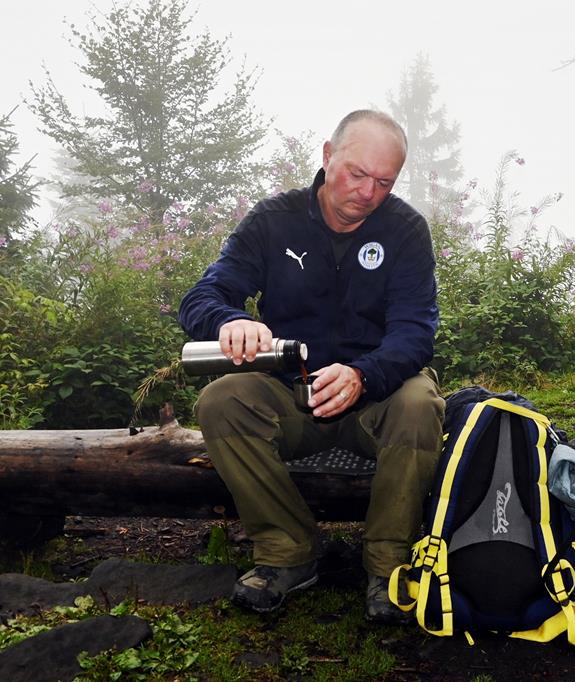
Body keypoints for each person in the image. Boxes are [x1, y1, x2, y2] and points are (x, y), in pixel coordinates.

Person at [178, 110, 444, 623]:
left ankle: (388, 566)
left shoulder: (406, 230)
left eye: (384, 182)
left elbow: (415, 333)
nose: (368, 193)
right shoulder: (273, 220)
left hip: (377, 399)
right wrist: (230, 320)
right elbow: (202, 297)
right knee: (221, 401)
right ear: (327, 156)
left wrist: (363, 375)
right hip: (291, 395)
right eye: (357, 174)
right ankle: (289, 553)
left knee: (419, 401)